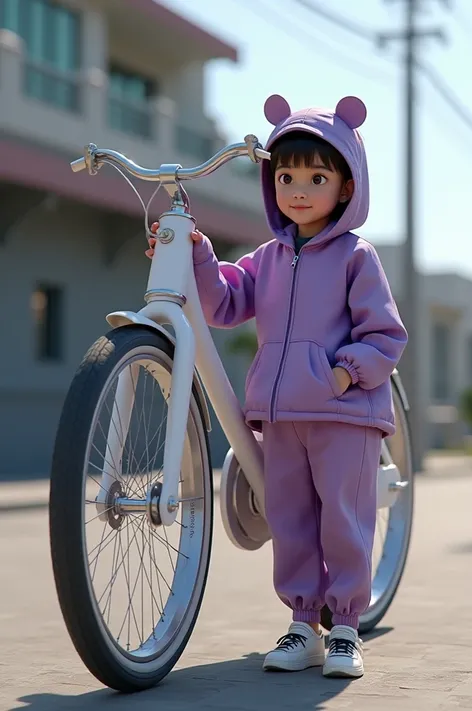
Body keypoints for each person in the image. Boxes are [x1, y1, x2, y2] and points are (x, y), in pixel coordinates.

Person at [146, 94, 407, 679]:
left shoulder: (355, 258)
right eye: (285, 175)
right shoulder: (265, 258)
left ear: (345, 188)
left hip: (343, 414)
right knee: (289, 519)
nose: (297, 188)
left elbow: (386, 334)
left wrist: (344, 374)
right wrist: (200, 256)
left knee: (342, 518)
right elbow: (224, 303)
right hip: (281, 416)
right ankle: (301, 624)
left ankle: (344, 628)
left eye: (317, 176)